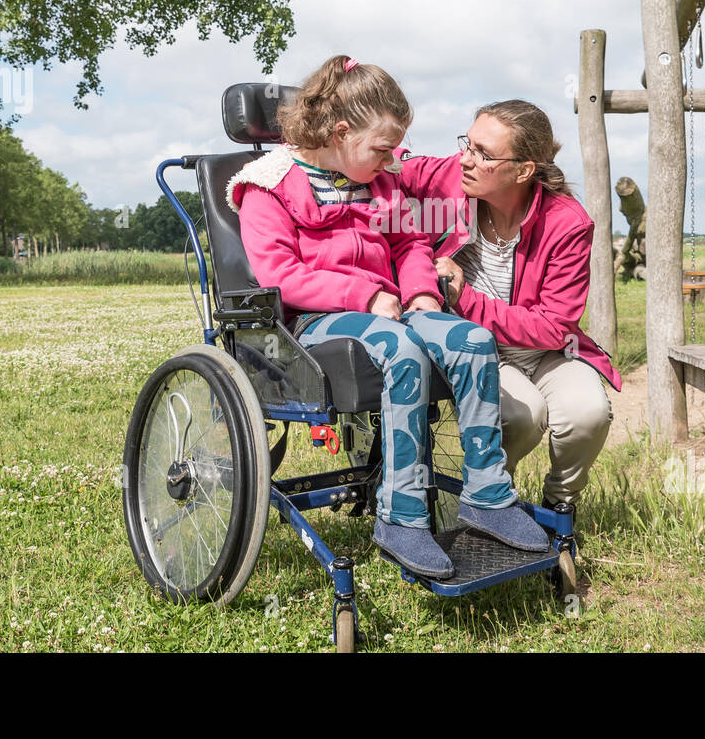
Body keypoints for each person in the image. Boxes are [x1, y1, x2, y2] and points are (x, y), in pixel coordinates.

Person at [228, 55, 547, 579]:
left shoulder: (380, 182)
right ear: (340, 131)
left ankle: (488, 496)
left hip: (394, 306)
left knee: (471, 340)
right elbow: (279, 275)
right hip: (313, 323)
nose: (391, 158)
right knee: (399, 352)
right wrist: (366, 295)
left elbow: (410, 243)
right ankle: (401, 517)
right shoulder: (268, 186)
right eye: (382, 148)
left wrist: (421, 293)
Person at [395, 99, 621, 510]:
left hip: (548, 351)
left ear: (523, 170)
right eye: (468, 143)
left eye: (483, 154)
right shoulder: (449, 179)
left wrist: (467, 299)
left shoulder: (568, 223)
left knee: (588, 413)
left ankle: (558, 509)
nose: (465, 159)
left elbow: (554, 327)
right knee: (521, 418)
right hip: (478, 350)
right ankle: (490, 503)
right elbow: (390, 162)